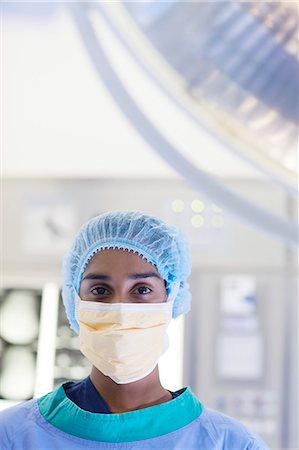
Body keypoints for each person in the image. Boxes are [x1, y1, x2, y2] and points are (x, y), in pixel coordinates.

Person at [0, 211, 268, 449]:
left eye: (141, 290)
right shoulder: (12, 436)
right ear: (74, 301)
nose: (119, 310)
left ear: (171, 298)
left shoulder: (230, 443)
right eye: (100, 291)